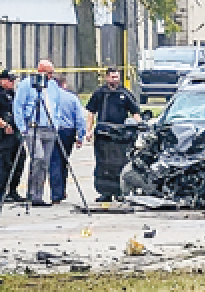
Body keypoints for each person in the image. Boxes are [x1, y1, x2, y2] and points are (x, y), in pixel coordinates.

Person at [12, 59, 63, 207]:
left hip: (50, 127)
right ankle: (31, 192)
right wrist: (22, 127)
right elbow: (18, 106)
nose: (51, 76)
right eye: (49, 73)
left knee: (45, 163)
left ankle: (38, 196)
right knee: (38, 158)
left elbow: (56, 105)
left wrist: (57, 123)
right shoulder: (26, 85)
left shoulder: (53, 85)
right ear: (40, 71)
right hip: (33, 127)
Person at [86, 67, 141, 202]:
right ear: (107, 78)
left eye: (117, 77)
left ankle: (120, 192)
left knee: (120, 164)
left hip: (120, 137)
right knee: (103, 164)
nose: (115, 80)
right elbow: (91, 112)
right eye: (112, 77)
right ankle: (105, 193)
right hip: (102, 135)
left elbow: (135, 113)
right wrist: (88, 130)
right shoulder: (100, 93)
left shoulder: (125, 94)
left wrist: (139, 126)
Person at [47, 74, 86, 204]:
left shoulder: (48, 97)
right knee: (64, 160)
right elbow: (79, 118)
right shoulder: (72, 98)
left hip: (51, 130)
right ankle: (61, 190)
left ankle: (56, 193)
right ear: (64, 84)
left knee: (54, 162)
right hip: (68, 132)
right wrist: (80, 136)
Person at [0, 69, 24, 203]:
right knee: (5, 164)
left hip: (16, 134)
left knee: (19, 162)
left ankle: (13, 191)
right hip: (4, 135)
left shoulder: (15, 95)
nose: (12, 82)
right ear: (2, 80)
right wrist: (4, 125)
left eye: (13, 80)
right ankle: (3, 192)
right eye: (10, 80)